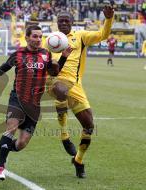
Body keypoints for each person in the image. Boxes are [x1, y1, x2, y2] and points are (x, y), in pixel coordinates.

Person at [0, 25, 72, 180]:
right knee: (11, 128)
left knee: (21, 144)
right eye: (35, 36)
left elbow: (54, 72)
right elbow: (1, 70)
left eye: (40, 37)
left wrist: (64, 57)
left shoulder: (46, 54)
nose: (38, 40)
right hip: (17, 99)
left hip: (35, 104)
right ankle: (0, 167)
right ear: (27, 37)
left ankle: (5, 149)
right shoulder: (18, 54)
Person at [48, 6, 114, 178]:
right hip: (55, 80)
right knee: (60, 89)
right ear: (57, 23)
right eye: (60, 21)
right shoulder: (50, 40)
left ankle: (78, 160)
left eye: (66, 21)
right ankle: (64, 135)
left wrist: (108, 19)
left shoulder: (81, 36)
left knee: (89, 126)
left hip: (76, 85)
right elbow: (51, 68)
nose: (63, 23)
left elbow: (103, 35)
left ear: (72, 22)